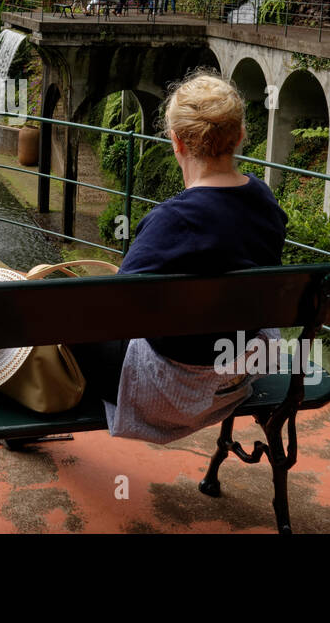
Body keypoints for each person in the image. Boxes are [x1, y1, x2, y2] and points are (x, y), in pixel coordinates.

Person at [69, 70, 288, 444]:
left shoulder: (169, 221)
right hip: (238, 372)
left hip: (167, 388)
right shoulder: (265, 201)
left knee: (68, 319)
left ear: (176, 143)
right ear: (239, 136)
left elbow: (112, 311)